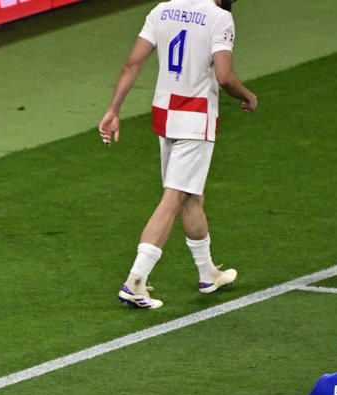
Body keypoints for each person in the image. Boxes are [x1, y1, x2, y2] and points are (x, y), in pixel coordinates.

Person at [97, 0, 258, 310]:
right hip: (195, 120)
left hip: (165, 116)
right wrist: (249, 96)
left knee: (190, 196)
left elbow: (132, 63)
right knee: (173, 200)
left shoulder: (162, 10)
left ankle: (208, 272)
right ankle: (135, 282)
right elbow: (224, 77)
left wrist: (113, 109)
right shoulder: (218, 17)